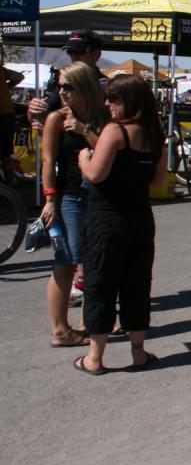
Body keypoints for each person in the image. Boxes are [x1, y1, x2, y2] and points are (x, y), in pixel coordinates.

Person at [75, 74, 167, 374]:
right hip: (139, 217)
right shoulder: (155, 134)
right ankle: (138, 352)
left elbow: (96, 174)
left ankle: (95, 358)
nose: (107, 104)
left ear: (131, 101)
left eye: (113, 98)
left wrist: (83, 159)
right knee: (136, 284)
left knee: (100, 283)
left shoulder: (115, 132)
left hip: (107, 217)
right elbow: (157, 181)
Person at [39, 62, 107, 347]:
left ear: (84, 86)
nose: (62, 92)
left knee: (94, 261)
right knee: (66, 261)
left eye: (68, 86)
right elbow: (47, 161)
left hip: (98, 196)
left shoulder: (100, 116)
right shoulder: (56, 118)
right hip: (69, 196)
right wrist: (50, 198)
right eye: (60, 86)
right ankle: (60, 329)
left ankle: (89, 322)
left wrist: (83, 129)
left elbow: (106, 148)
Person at [27, 30, 106, 128]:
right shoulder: (62, 83)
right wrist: (33, 110)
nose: (74, 57)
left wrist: (83, 131)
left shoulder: (106, 86)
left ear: (96, 54)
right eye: (70, 52)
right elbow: (40, 117)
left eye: (79, 52)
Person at [1, 52, 23, 185]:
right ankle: (10, 185)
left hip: (3, 114)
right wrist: (8, 86)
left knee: (5, 154)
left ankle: (9, 185)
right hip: (7, 114)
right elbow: (19, 76)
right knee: (5, 154)